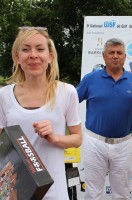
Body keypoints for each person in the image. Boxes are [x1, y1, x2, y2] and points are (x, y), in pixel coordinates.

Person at [0, 26, 82, 199]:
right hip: (15, 193)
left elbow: (77, 138)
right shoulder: (4, 95)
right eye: (25, 49)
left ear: (50, 56)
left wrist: (55, 137)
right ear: (17, 57)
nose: (33, 55)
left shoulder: (67, 92)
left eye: (40, 49)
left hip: (54, 193)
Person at [77, 38, 132, 199]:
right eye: (111, 53)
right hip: (95, 142)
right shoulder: (90, 79)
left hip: (123, 144)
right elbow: (71, 101)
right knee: (93, 193)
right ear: (104, 56)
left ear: (125, 56)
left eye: (119, 53)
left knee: (121, 194)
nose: (115, 56)